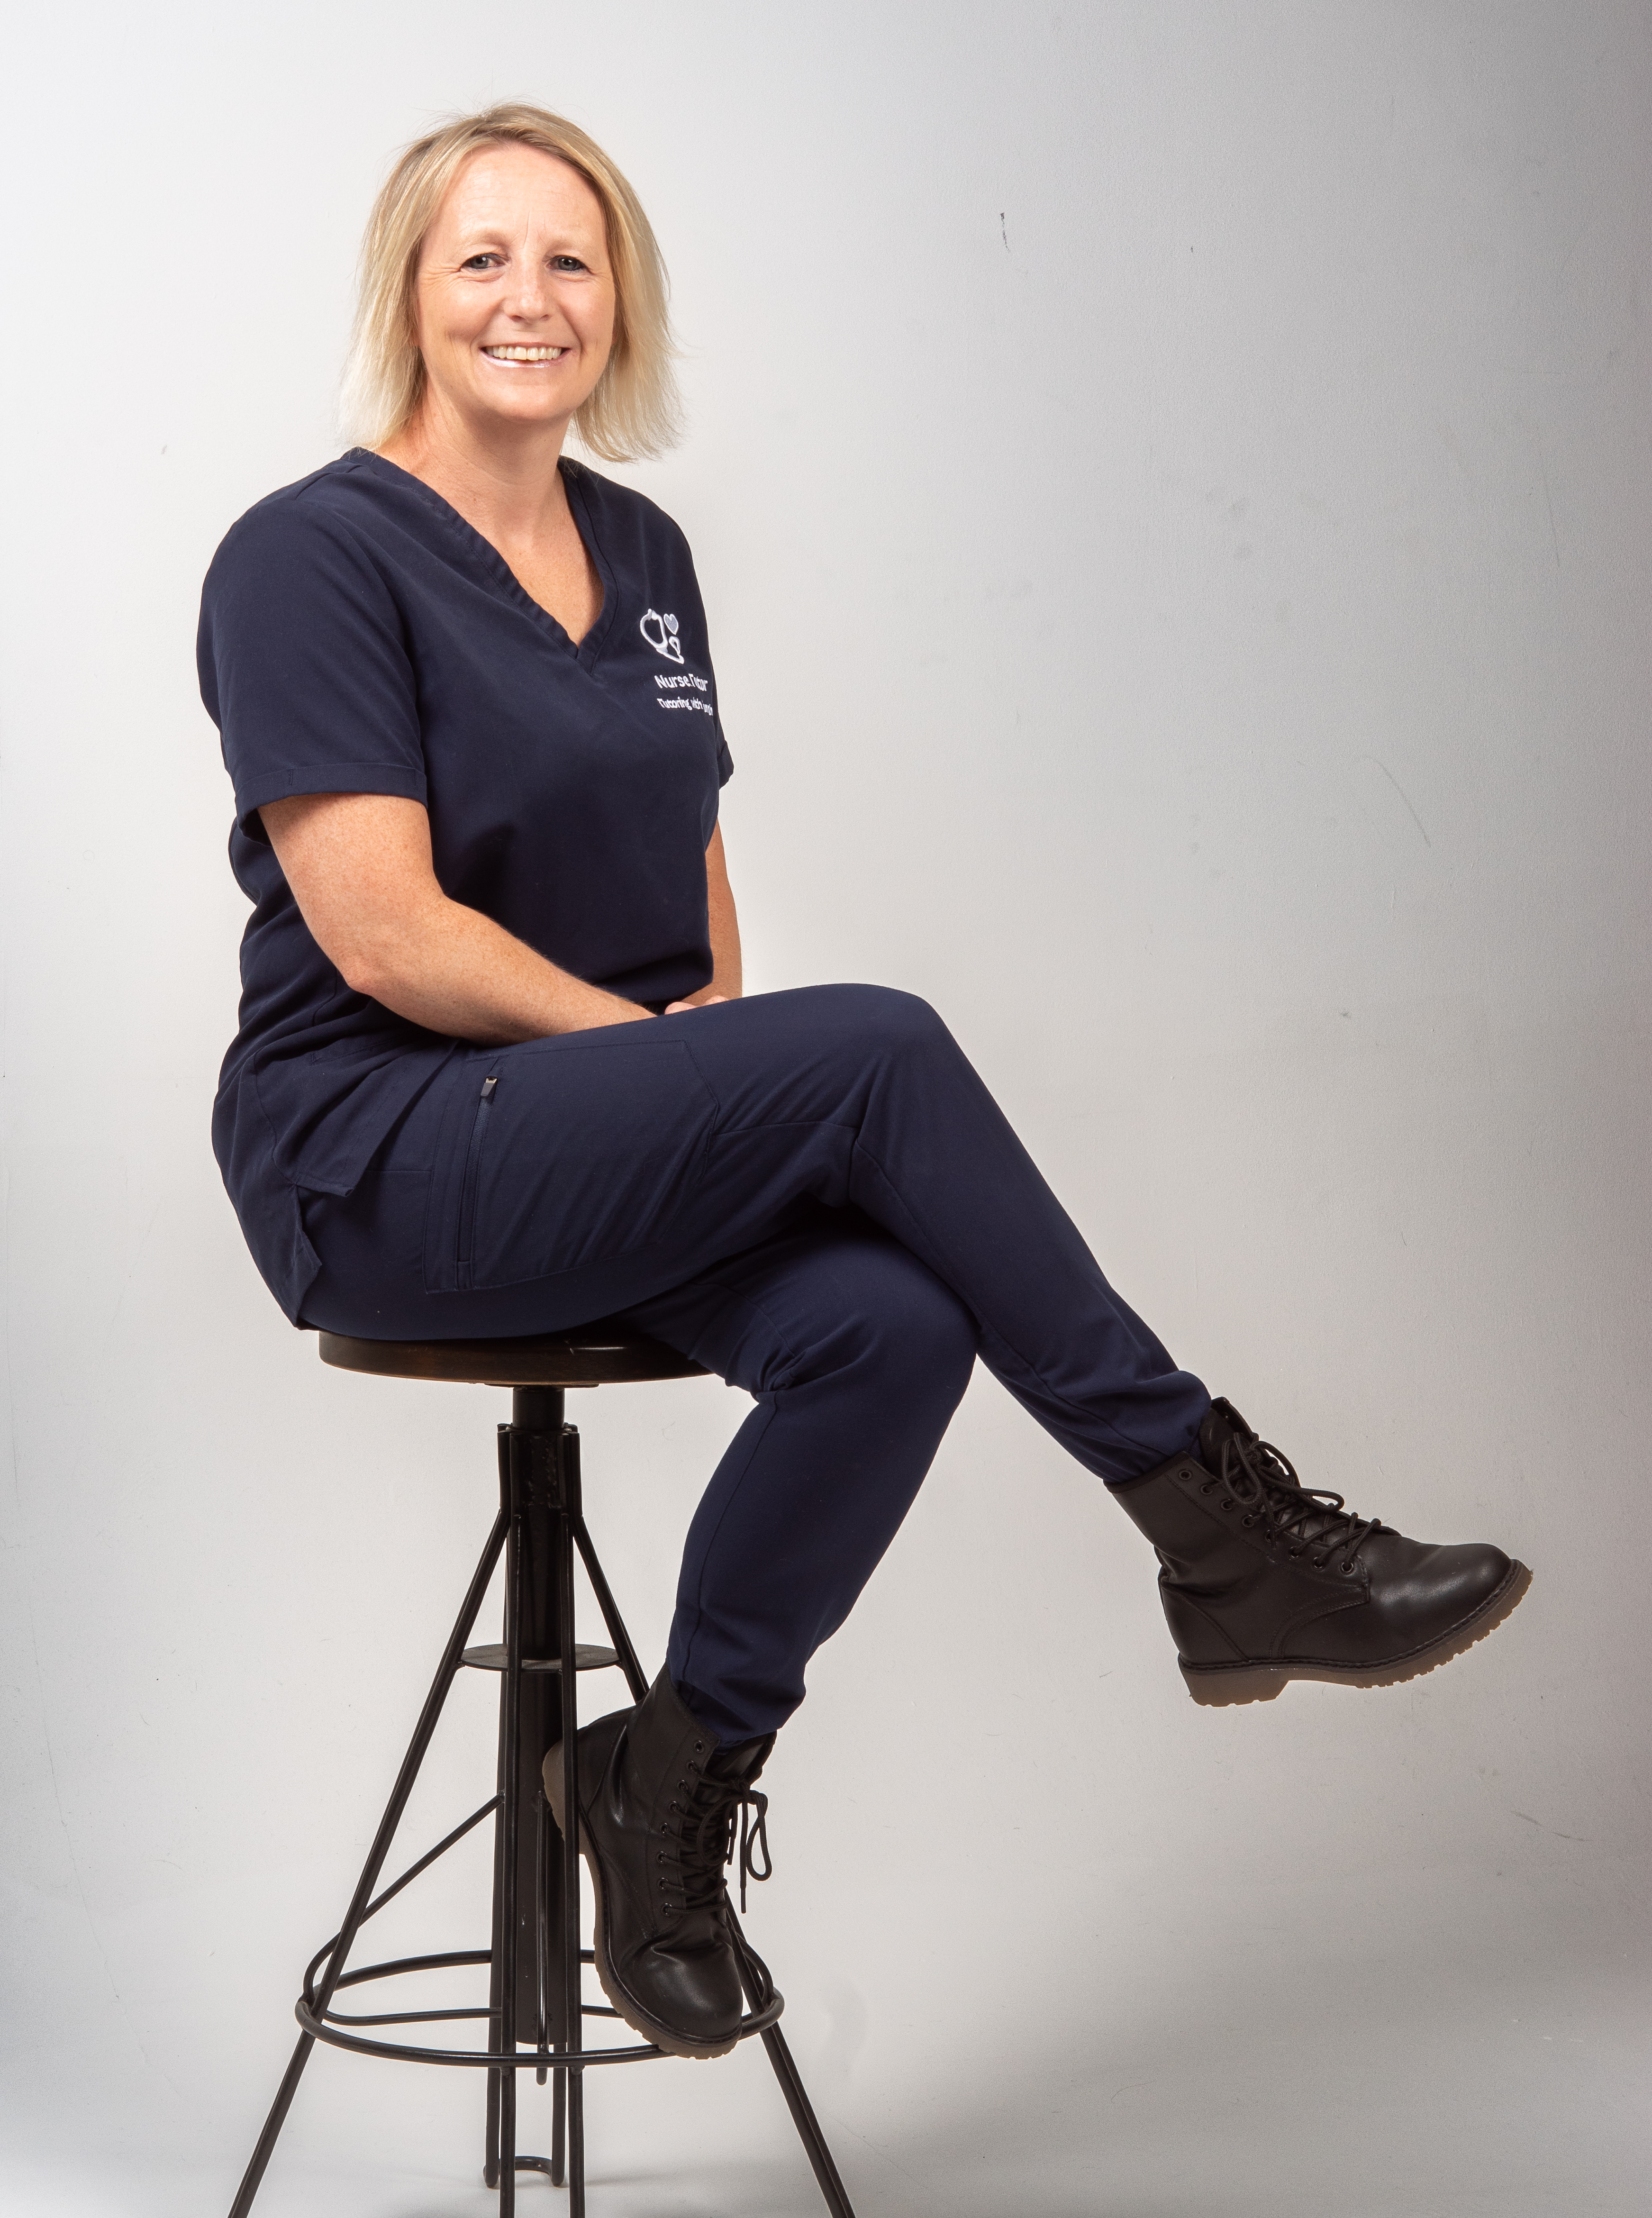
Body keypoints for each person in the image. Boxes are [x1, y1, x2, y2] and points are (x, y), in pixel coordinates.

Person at [199, 104, 1529, 2065]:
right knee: (878, 1042)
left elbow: (695, 881)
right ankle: (1218, 1524)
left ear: (619, 299)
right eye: (480, 257)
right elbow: (385, 935)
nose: (528, 298)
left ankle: (661, 1787)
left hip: (585, 1132)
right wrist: (673, 1067)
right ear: (409, 292)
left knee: (891, 1326)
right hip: (380, 1153)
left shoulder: (643, 555)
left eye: (570, 259)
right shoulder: (307, 556)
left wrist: (702, 1083)